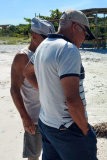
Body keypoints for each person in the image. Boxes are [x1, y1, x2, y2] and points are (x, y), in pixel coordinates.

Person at [23, 9, 97, 160]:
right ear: (75, 27)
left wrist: (47, 90)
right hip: (67, 127)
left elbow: (27, 72)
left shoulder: (44, 45)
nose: (85, 38)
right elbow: (72, 99)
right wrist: (85, 130)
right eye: (86, 33)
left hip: (46, 123)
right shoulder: (68, 49)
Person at [10, 17, 55, 160]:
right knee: (33, 156)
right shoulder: (22, 58)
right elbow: (14, 89)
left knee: (54, 154)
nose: (49, 42)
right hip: (34, 120)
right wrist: (24, 117)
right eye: (46, 38)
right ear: (34, 36)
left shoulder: (49, 54)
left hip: (53, 118)